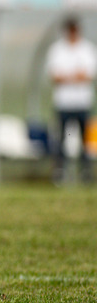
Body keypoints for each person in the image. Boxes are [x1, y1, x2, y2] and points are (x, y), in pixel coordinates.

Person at [44, 16, 96, 184]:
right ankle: (60, 172)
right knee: (62, 138)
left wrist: (68, 76)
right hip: (63, 102)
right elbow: (55, 76)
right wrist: (74, 75)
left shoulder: (87, 49)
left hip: (82, 102)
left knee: (84, 139)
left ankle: (85, 172)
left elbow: (87, 75)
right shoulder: (57, 49)